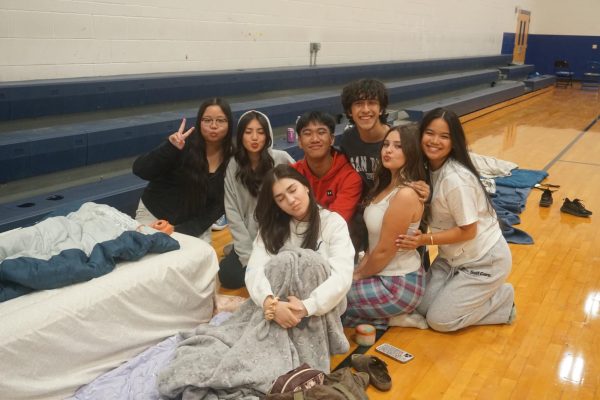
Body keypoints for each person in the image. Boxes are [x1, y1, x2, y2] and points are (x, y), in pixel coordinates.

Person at [396, 107, 515, 332]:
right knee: (420, 307)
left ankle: (502, 299)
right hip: (451, 259)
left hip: (483, 261)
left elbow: (468, 231)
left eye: (444, 136)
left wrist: (424, 240)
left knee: (439, 321)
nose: (434, 141)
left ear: (454, 142)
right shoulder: (426, 168)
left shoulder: (456, 180)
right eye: (430, 133)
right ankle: (467, 292)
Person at [246, 164, 355, 328]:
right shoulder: (272, 228)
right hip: (280, 307)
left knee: (312, 262)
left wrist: (306, 307)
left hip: (323, 310)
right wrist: (269, 302)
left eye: (292, 190)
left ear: (305, 186)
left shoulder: (333, 223)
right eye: (281, 199)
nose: (291, 200)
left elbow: (342, 276)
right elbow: (254, 269)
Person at [343, 124, 427, 329]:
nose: (388, 150)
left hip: (398, 285)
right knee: (325, 288)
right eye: (386, 144)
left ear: (412, 152)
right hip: (381, 272)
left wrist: (358, 275)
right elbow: (375, 248)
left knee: (327, 304)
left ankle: (391, 317)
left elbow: (384, 250)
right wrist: (357, 272)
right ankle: (386, 319)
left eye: (398, 146)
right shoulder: (386, 183)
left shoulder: (406, 194)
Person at [132, 98, 234, 241]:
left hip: (192, 226)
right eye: (207, 120)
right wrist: (169, 148)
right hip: (155, 216)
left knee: (201, 260)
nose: (214, 125)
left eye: (221, 120)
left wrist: (177, 230)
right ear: (199, 122)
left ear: (229, 124)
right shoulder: (181, 143)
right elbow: (140, 170)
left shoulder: (233, 159)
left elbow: (215, 210)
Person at [220, 110, 294, 289]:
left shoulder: (281, 158)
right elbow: (232, 212)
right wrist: (247, 256)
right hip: (249, 238)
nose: (254, 137)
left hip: (281, 235)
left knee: (287, 271)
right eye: (248, 132)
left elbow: (298, 193)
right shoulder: (232, 165)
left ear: (267, 135)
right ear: (240, 136)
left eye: (260, 132)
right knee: (228, 276)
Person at [291, 111, 362, 222]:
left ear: (332, 139)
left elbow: (335, 223)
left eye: (321, 132)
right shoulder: (291, 174)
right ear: (299, 141)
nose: (315, 139)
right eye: (307, 133)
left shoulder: (350, 177)